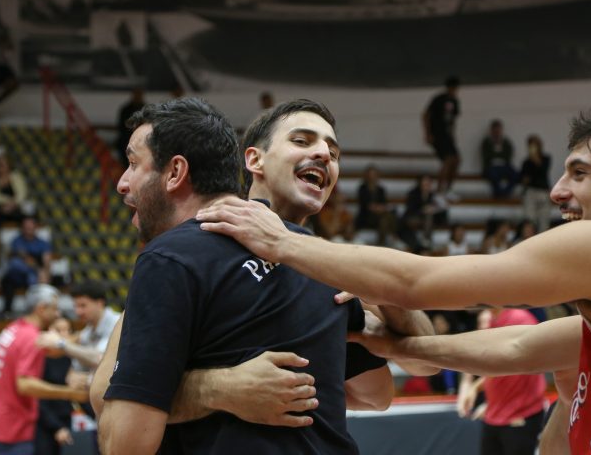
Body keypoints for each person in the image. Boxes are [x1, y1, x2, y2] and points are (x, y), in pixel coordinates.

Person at [195, 107, 591, 453]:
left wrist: (282, 242)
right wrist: (397, 346)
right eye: (303, 141)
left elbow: (418, 281)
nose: (557, 192)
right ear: (253, 160)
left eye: (579, 174)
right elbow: (514, 348)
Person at [91, 98, 396, 454]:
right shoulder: (319, 258)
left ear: (175, 172)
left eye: (132, 164)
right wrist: (224, 387)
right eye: (301, 140)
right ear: (251, 161)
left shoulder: (171, 257)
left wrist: (207, 389)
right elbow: (377, 394)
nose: (122, 183)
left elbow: (120, 431)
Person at [0, 284, 87, 455]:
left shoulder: (15, 328)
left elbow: (51, 349)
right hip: (13, 427)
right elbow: (25, 385)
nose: (57, 314)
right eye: (54, 309)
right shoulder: (30, 338)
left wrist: (83, 336)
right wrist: (70, 393)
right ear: (41, 308)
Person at [457, 308, 547, 455]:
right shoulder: (493, 322)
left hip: (520, 416)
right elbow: (497, 371)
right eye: (480, 322)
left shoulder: (519, 318)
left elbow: (520, 365)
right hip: (494, 417)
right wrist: (475, 388)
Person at [36, 282, 120, 393]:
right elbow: (76, 367)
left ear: (100, 303)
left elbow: (101, 359)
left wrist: (61, 343)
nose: (78, 311)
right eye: (75, 306)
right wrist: (72, 377)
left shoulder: (118, 323)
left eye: (83, 306)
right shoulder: (87, 331)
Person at [35, 315, 76, 455]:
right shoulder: (41, 357)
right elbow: (37, 398)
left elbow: (75, 392)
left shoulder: (71, 357)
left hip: (64, 419)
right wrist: (56, 427)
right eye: (59, 330)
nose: (64, 334)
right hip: (44, 423)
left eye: (68, 330)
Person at [0, 216, 52, 319]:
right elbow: (24, 259)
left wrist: (46, 274)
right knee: (14, 265)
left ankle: (36, 310)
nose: (29, 228)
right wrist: (38, 270)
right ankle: (8, 311)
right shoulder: (17, 241)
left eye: (31, 226)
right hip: (19, 274)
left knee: (33, 278)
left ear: (36, 227)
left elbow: (47, 261)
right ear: (22, 228)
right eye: (26, 226)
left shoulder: (42, 243)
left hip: (35, 275)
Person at [422, 75, 461, 201]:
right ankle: (439, 192)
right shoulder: (439, 99)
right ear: (448, 87)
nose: (454, 91)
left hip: (447, 135)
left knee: (457, 160)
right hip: (437, 134)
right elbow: (426, 115)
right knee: (447, 160)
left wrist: (453, 136)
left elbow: (453, 121)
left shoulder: (455, 101)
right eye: (452, 88)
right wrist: (428, 133)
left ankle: (448, 189)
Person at [398, 174, 447, 253]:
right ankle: (426, 240)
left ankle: (426, 240)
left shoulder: (433, 195)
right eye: (425, 183)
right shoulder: (413, 193)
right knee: (427, 215)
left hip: (426, 219)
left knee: (429, 216)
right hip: (412, 217)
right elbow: (410, 209)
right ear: (420, 183)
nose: (426, 185)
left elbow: (442, 207)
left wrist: (433, 209)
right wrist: (422, 210)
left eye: (428, 183)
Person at [354, 165, 397, 246]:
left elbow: (384, 204)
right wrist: (378, 208)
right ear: (366, 176)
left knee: (384, 220)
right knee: (387, 218)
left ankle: (382, 242)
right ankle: (393, 236)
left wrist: (380, 208)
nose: (372, 177)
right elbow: (366, 206)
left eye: (374, 175)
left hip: (380, 217)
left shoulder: (381, 189)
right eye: (370, 175)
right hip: (367, 217)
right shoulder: (362, 189)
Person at [0, 153, 32, 226]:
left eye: (3, 164)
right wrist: (7, 202)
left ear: (9, 165)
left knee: (27, 218)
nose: (0, 166)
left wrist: (13, 204)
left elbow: (21, 195)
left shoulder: (17, 177)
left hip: (16, 207)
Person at [520, 134, 553, 232]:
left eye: (535, 145)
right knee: (530, 220)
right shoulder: (526, 162)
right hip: (531, 192)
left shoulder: (546, 159)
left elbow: (543, 170)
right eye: (530, 145)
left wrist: (535, 158)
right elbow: (524, 180)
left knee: (544, 222)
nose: (533, 148)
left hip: (543, 191)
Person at [481, 119, 519, 199]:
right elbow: (487, 157)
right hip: (491, 167)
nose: (497, 132)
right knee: (493, 175)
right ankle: (498, 194)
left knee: (515, 174)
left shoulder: (506, 142)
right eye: (495, 130)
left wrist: (496, 155)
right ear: (491, 131)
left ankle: (505, 192)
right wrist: (498, 155)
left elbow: (508, 156)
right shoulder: (486, 142)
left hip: (504, 166)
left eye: (498, 130)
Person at [115, 88, 146, 165]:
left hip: (142, 141)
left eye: (139, 95)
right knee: (125, 163)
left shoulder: (146, 108)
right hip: (126, 140)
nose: (138, 97)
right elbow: (122, 126)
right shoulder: (126, 109)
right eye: (136, 94)